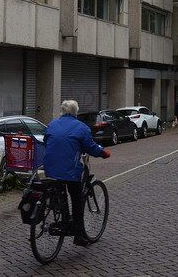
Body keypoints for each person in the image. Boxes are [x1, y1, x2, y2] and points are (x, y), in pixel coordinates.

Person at [43, 100, 111, 247]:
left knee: (60, 187)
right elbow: (90, 147)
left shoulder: (52, 124)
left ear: (62, 111)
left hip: (50, 168)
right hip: (69, 169)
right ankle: (79, 236)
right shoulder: (81, 127)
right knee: (77, 199)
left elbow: (46, 140)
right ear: (76, 112)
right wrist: (103, 153)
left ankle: (61, 214)